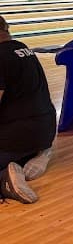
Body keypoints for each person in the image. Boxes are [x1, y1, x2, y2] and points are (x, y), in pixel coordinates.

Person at [0, 15, 56, 204]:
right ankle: (37, 154)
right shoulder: (22, 48)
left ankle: (5, 179)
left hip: (16, 137)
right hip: (44, 130)